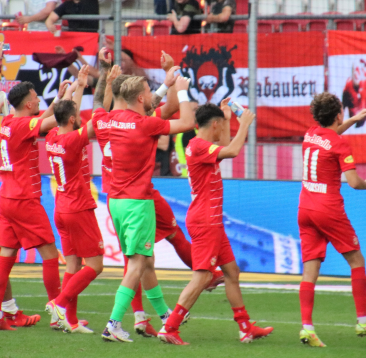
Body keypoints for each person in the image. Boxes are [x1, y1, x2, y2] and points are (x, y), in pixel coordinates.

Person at [158, 101, 273, 345]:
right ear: (215, 124)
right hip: (205, 222)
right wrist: (244, 125)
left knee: (232, 272)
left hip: (211, 221)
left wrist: (230, 119)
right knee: (202, 277)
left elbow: (225, 146)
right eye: (222, 125)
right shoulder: (199, 146)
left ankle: (245, 328)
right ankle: (170, 327)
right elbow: (231, 150)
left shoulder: (198, 144)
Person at [101, 74, 196, 343]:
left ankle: (164, 314)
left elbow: (140, 102)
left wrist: (166, 84)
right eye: (148, 91)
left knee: (147, 261)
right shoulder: (146, 125)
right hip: (137, 201)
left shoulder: (105, 119)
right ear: (141, 98)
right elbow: (188, 122)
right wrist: (182, 90)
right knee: (137, 263)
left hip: (115, 201)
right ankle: (113, 323)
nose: (153, 95)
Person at [297, 93, 366, 347]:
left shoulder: (309, 134)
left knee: (310, 268)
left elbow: (329, 135)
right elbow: (353, 182)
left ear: (316, 117)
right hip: (328, 209)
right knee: (356, 259)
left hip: (305, 207)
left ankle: (307, 328)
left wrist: (352, 120)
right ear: (338, 115)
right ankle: (363, 321)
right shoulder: (340, 145)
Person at [0, 79, 70, 331]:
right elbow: (50, 122)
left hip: (7, 199)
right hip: (24, 198)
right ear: (29, 102)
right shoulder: (23, 124)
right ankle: (57, 314)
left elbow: (38, 122)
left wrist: (57, 98)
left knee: (6, 256)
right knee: (49, 254)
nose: (39, 99)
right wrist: (67, 99)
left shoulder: (9, 122)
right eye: (36, 96)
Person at [44, 67, 102, 334]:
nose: (79, 117)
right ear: (71, 119)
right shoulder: (73, 140)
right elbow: (94, 123)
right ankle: (59, 303)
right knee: (95, 265)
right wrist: (104, 88)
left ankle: (70, 321)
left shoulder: (53, 136)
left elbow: (70, 115)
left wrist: (78, 87)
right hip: (79, 208)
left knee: (73, 265)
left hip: (61, 208)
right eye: (76, 115)